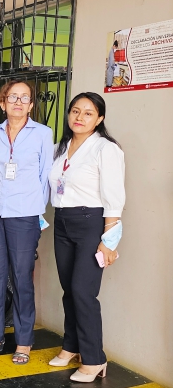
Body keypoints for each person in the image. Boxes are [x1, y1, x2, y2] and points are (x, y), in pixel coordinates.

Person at [48, 92, 124, 382]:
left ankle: (94, 359)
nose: (79, 117)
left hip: (91, 223)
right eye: (75, 111)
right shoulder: (61, 147)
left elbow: (114, 197)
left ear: (100, 119)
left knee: (83, 291)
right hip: (63, 221)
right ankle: (71, 346)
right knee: (69, 289)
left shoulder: (105, 149)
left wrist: (109, 240)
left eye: (88, 113)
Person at [0, 80, 53, 364]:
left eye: (24, 98)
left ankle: (23, 341)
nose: (18, 102)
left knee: (22, 278)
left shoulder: (43, 134)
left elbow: (46, 176)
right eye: (12, 97)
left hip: (24, 215)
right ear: (2, 103)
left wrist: (37, 213)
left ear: (32, 104)